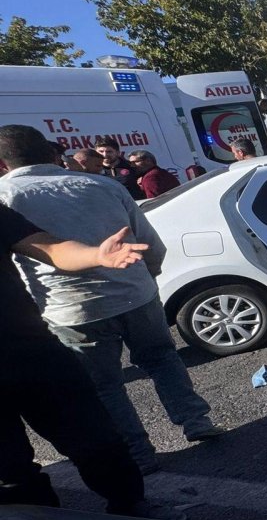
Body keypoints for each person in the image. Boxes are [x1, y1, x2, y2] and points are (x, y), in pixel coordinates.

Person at [0, 126, 223, 474]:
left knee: (106, 386)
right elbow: (149, 242)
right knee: (163, 359)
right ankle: (195, 421)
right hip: (135, 293)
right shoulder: (102, 185)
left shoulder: (6, 197)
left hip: (73, 309)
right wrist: (147, 278)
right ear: (51, 153)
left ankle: (139, 453)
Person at [0, 198, 184, 520]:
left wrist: (95, 255)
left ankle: (131, 506)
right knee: (10, 468)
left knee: (99, 441)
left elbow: (51, 248)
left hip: (33, 354)